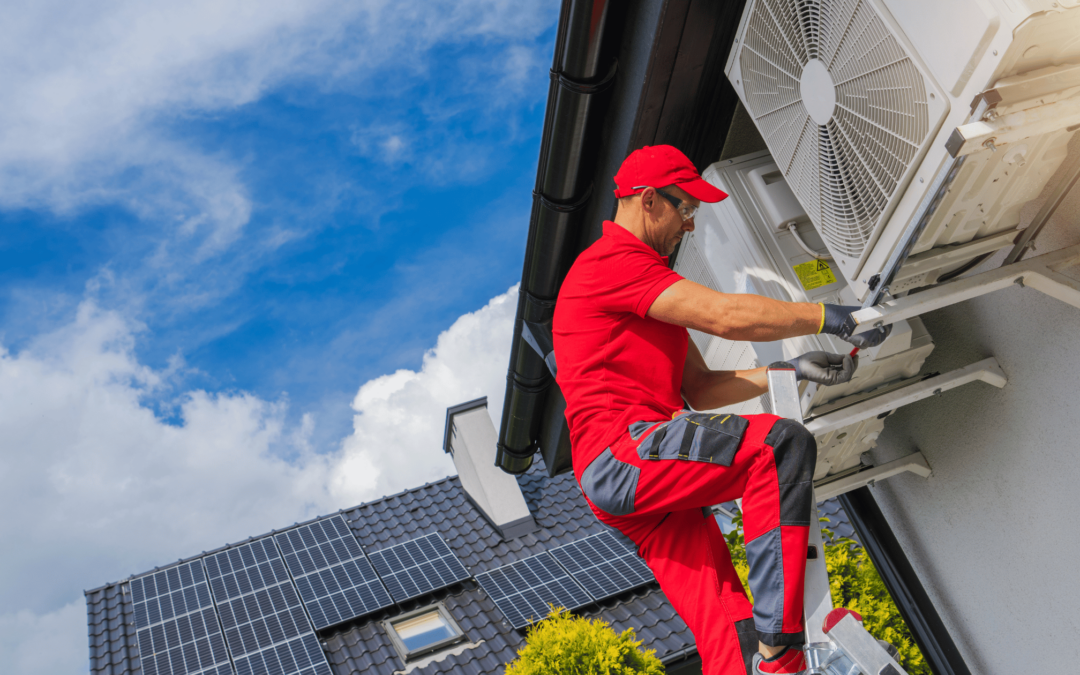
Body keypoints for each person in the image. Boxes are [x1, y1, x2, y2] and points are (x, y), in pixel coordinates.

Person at [552, 145, 890, 675]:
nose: (690, 225)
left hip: (634, 480)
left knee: (729, 632)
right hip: (627, 454)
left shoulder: (646, 286)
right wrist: (829, 315)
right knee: (778, 447)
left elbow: (702, 388)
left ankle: (758, 657)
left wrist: (791, 370)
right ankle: (781, 652)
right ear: (648, 200)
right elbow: (728, 317)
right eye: (685, 208)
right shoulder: (611, 264)